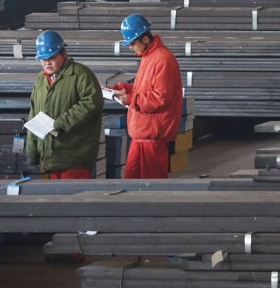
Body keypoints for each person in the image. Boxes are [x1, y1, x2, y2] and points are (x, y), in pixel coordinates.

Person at [108, 13, 183, 179]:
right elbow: (143, 87)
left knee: (152, 188)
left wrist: (131, 99)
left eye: (133, 42)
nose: (131, 47)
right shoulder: (149, 57)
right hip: (143, 135)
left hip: (153, 136)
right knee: (132, 183)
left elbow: (160, 98)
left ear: (145, 39)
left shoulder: (162, 59)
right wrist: (118, 89)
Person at [26, 30, 103, 179]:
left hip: (74, 159)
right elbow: (34, 115)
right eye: (43, 59)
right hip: (49, 160)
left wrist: (60, 122)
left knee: (72, 201)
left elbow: (92, 102)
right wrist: (32, 151)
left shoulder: (81, 75)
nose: (47, 63)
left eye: (52, 57)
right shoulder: (40, 81)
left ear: (63, 54)